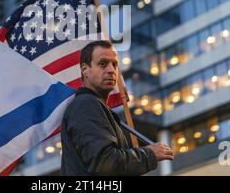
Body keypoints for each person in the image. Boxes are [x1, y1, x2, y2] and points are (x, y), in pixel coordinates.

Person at [61, 40, 174, 176]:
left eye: (114, 64)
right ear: (85, 69)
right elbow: (105, 163)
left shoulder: (93, 105)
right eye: (103, 64)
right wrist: (149, 154)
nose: (111, 70)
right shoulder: (86, 104)